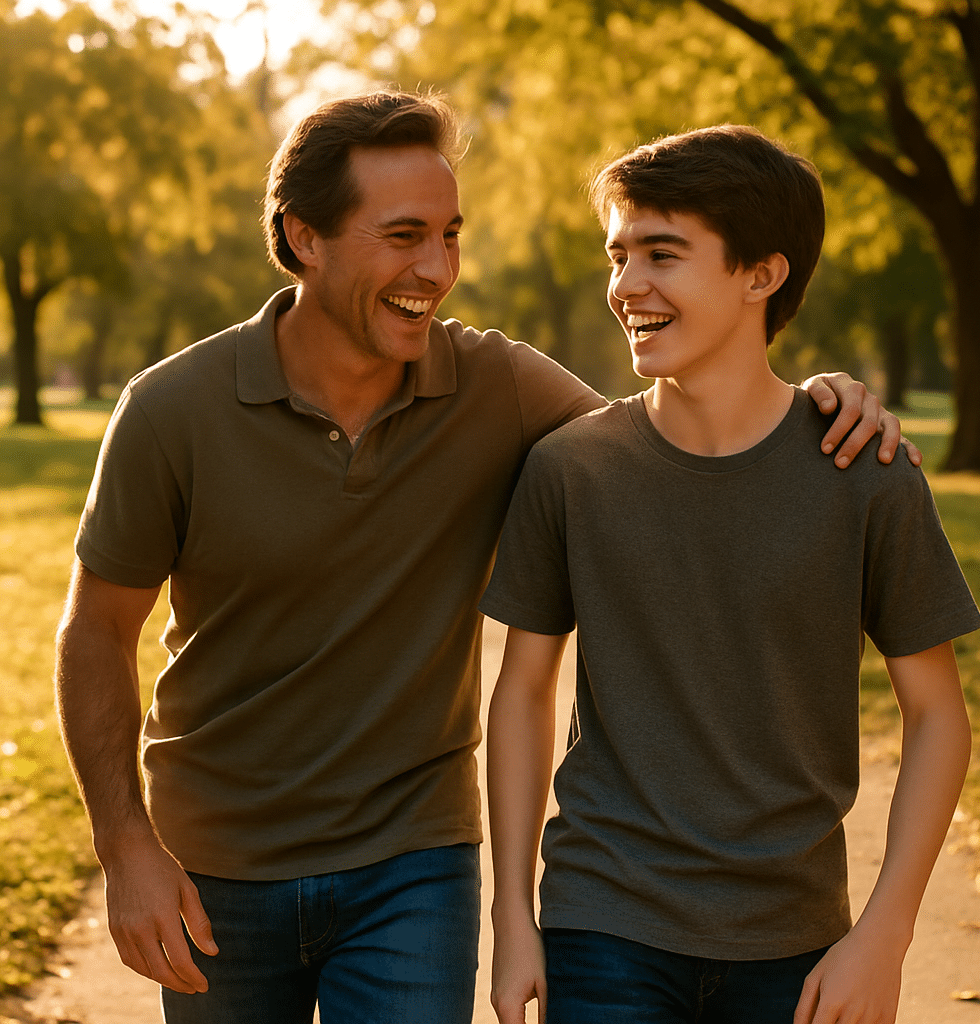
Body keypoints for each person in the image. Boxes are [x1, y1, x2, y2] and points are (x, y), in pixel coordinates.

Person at [54, 93, 912, 1024]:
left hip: (413, 859)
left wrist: (814, 402)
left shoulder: (495, 386)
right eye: (404, 235)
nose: (438, 267)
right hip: (213, 865)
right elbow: (97, 632)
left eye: (451, 235)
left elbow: (678, 433)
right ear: (305, 237)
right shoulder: (171, 411)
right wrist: (125, 845)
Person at [482, 124, 980, 1024]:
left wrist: (885, 934)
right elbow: (521, 694)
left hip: (794, 938)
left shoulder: (864, 475)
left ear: (763, 273)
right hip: (603, 919)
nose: (627, 286)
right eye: (619, 255)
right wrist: (513, 915)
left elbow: (939, 715)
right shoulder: (571, 470)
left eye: (662, 255)